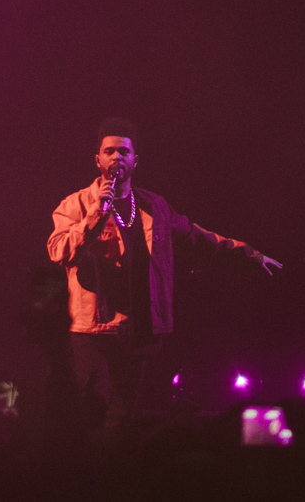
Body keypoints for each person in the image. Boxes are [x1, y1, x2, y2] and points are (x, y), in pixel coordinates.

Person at [47, 117, 282, 431]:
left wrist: (249, 255)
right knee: (91, 412)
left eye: (124, 152)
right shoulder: (74, 205)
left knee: (128, 416)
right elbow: (58, 252)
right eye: (109, 151)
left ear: (135, 160)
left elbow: (197, 237)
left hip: (141, 330)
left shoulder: (154, 206)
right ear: (98, 159)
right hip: (93, 332)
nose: (117, 157)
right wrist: (94, 216)